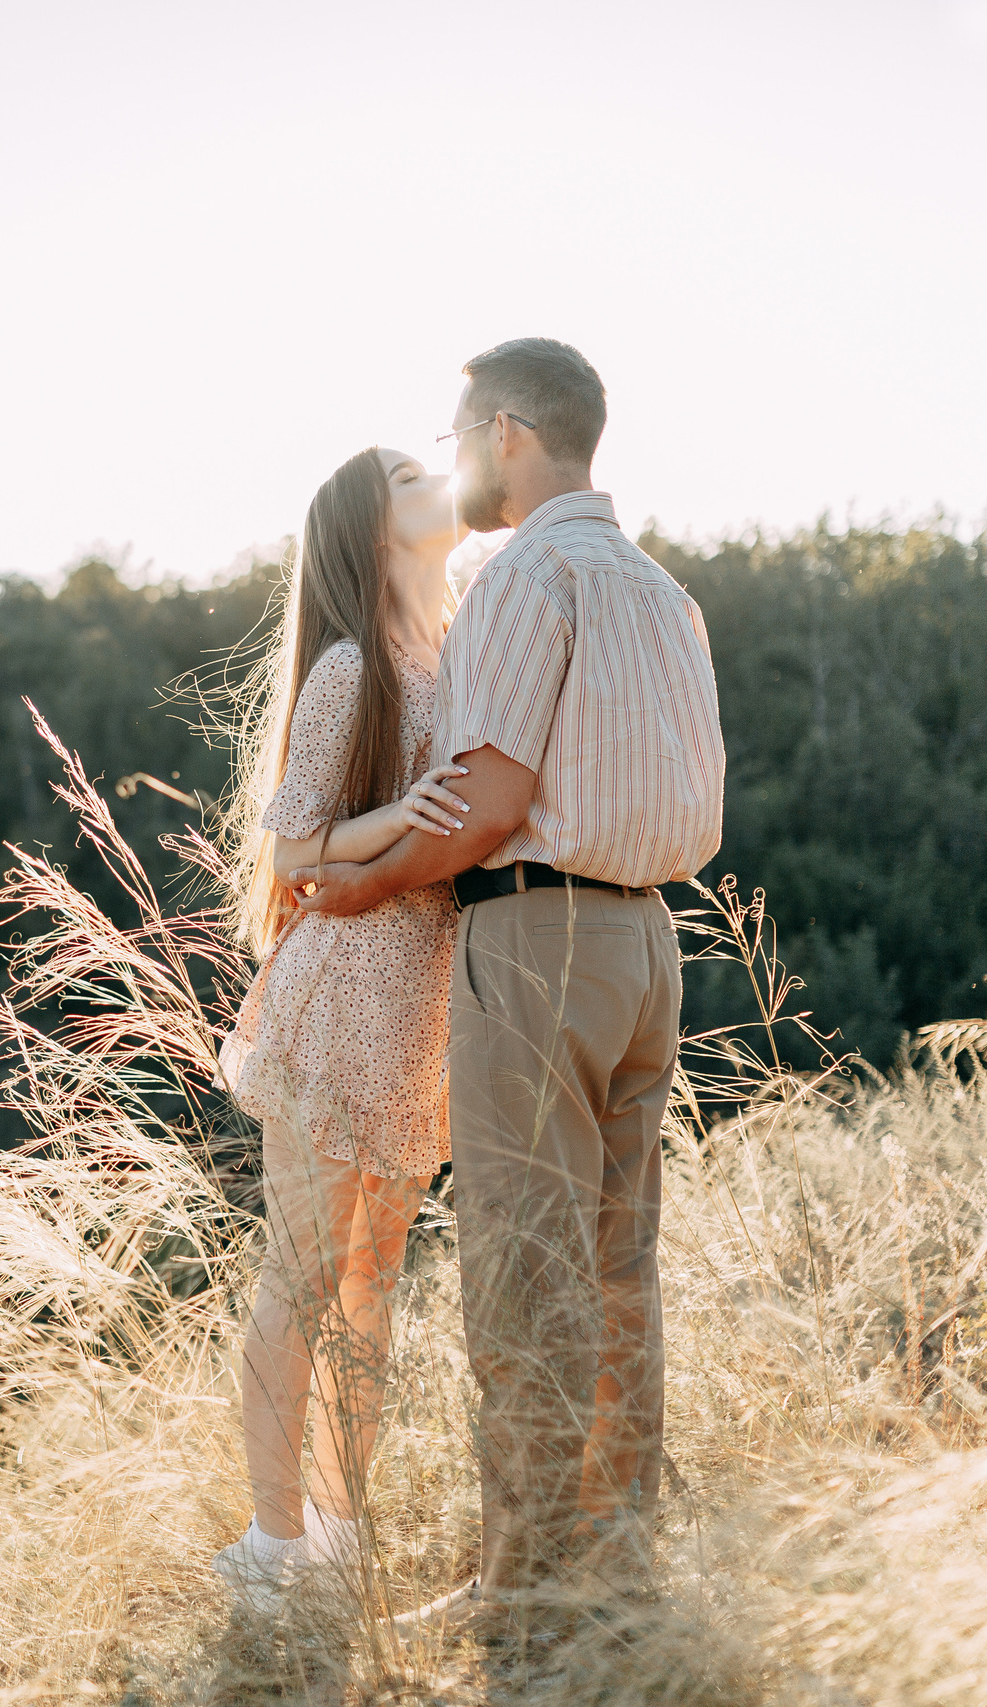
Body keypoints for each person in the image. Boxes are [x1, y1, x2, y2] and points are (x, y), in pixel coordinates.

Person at [291, 339, 726, 1630]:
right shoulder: (660, 588)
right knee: (616, 1267)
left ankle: (527, 1591)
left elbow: (486, 799)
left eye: (466, 431)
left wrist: (365, 884)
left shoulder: (522, 574)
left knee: (524, 1272)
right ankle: (617, 1564)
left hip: (537, 943)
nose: (461, 455)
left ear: (515, 432)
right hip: (651, 949)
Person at [208, 444, 478, 1614]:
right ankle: (271, 1548)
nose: (442, 472)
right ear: (376, 526)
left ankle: (339, 1528)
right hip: (341, 995)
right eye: (413, 469)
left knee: (375, 1280)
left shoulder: (450, 643)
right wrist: (398, 817)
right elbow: (294, 848)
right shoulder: (352, 665)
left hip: (418, 1009)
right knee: (305, 1276)